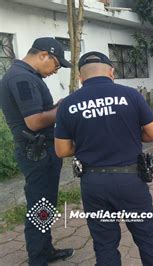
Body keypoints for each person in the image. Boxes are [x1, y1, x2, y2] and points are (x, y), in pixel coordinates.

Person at [54, 52, 153, 265]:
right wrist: (131, 136)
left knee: (105, 243)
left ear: (80, 77)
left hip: (94, 184)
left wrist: (88, 144)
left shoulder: (68, 104)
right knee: (146, 237)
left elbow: (61, 150)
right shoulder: (130, 95)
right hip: (131, 181)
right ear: (111, 72)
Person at [0, 37, 74, 265]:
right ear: (44, 55)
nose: (55, 70)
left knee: (45, 204)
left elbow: (39, 113)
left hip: (40, 150)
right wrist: (63, 109)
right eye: (56, 64)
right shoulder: (22, 77)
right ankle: (38, 258)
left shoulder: (25, 75)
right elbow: (33, 121)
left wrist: (54, 106)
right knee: (40, 205)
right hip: (37, 153)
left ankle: (44, 249)